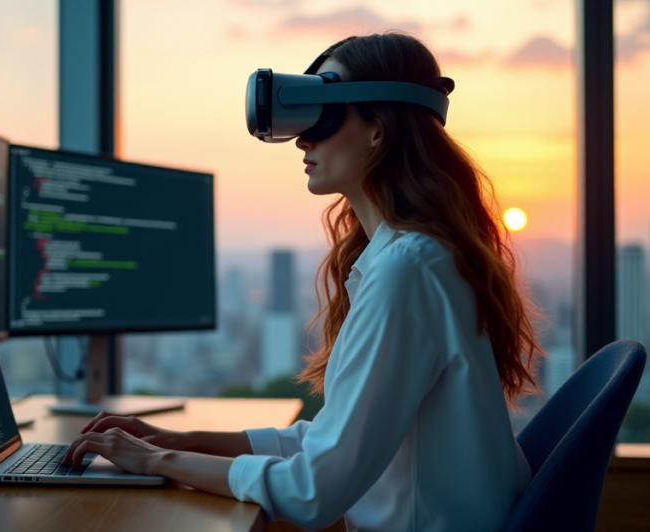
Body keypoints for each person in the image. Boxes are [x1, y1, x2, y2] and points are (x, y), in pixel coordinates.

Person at [62, 32, 541, 531]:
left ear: (378, 131)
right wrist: (175, 441)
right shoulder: (414, 257)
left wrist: (154, 462)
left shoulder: (407, 271)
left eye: (324, 114)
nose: (303, 139)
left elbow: (312, 492)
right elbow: (331, 443)